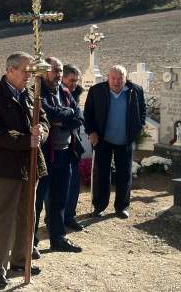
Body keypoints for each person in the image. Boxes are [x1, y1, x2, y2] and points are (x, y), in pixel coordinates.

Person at [0, 51, 49, 289]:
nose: (29, 76)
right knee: (2, 218)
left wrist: (42, 133)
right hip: (6, 166)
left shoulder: (30, 94)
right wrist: (24, 140)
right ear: (10, 70)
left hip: (30, 164)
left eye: (31, 71)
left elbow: (44, 120)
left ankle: (20, 260)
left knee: (26, 214)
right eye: (25, 71)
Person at [34, 57, 84, 254]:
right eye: (55, 71)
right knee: (37, 201)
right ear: (45, 71)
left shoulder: (64, 92)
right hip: (45, 154)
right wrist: (65, 115)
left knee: (59, 199)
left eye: (61, 71)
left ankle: (58, 238)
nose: (58, 75)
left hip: (65, 154)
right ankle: (31, 242)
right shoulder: (38, 92)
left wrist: (63, 118)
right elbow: (49, 113)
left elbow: (78, 117)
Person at [83, 65, 147, 219]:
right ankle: (99, 206)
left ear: (125, 79)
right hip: (102, 139)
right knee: (101, 174)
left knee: (124, 174)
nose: (116, 82)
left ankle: (122, 207)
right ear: (108, 77)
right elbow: (88, 114)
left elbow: (143, 110)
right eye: (113, 78)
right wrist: (91, 132)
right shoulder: (97, 91)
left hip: (124, 139)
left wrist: (137, 128)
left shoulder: (135, 91)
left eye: (120, 79)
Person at [61, 63, 88, 231]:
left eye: (76, 81)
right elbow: (58, 118)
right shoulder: (55, 93)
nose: (74, 84)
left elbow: (79, 117)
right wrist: (71, 119)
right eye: (71, 80)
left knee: (73, 184)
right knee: (57, 186)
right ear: (62, 78)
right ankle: (55, 218)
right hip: (58, 145)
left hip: (74, 144)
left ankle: (69, 216)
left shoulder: (75, 94)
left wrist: (71, 119)